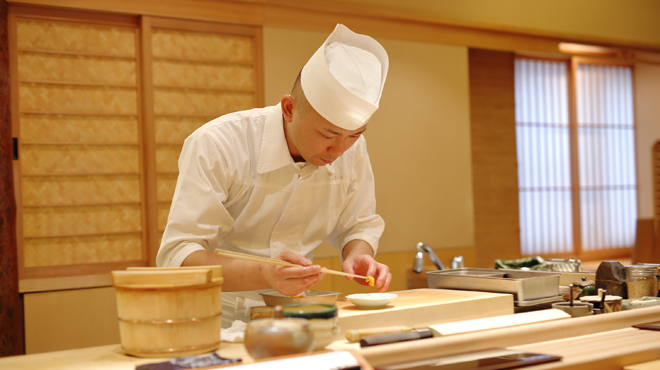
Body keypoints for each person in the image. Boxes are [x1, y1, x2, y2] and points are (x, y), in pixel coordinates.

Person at [157, 24, 392, 327]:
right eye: (327, 134)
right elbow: (181, 256)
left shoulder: (351, 150)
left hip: (294, 316)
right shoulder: (219, 143)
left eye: (354, 135)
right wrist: (264, 274)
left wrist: (359, 253)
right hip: (213, 315)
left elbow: (358, 224)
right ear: (289, 108)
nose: (340, 149)